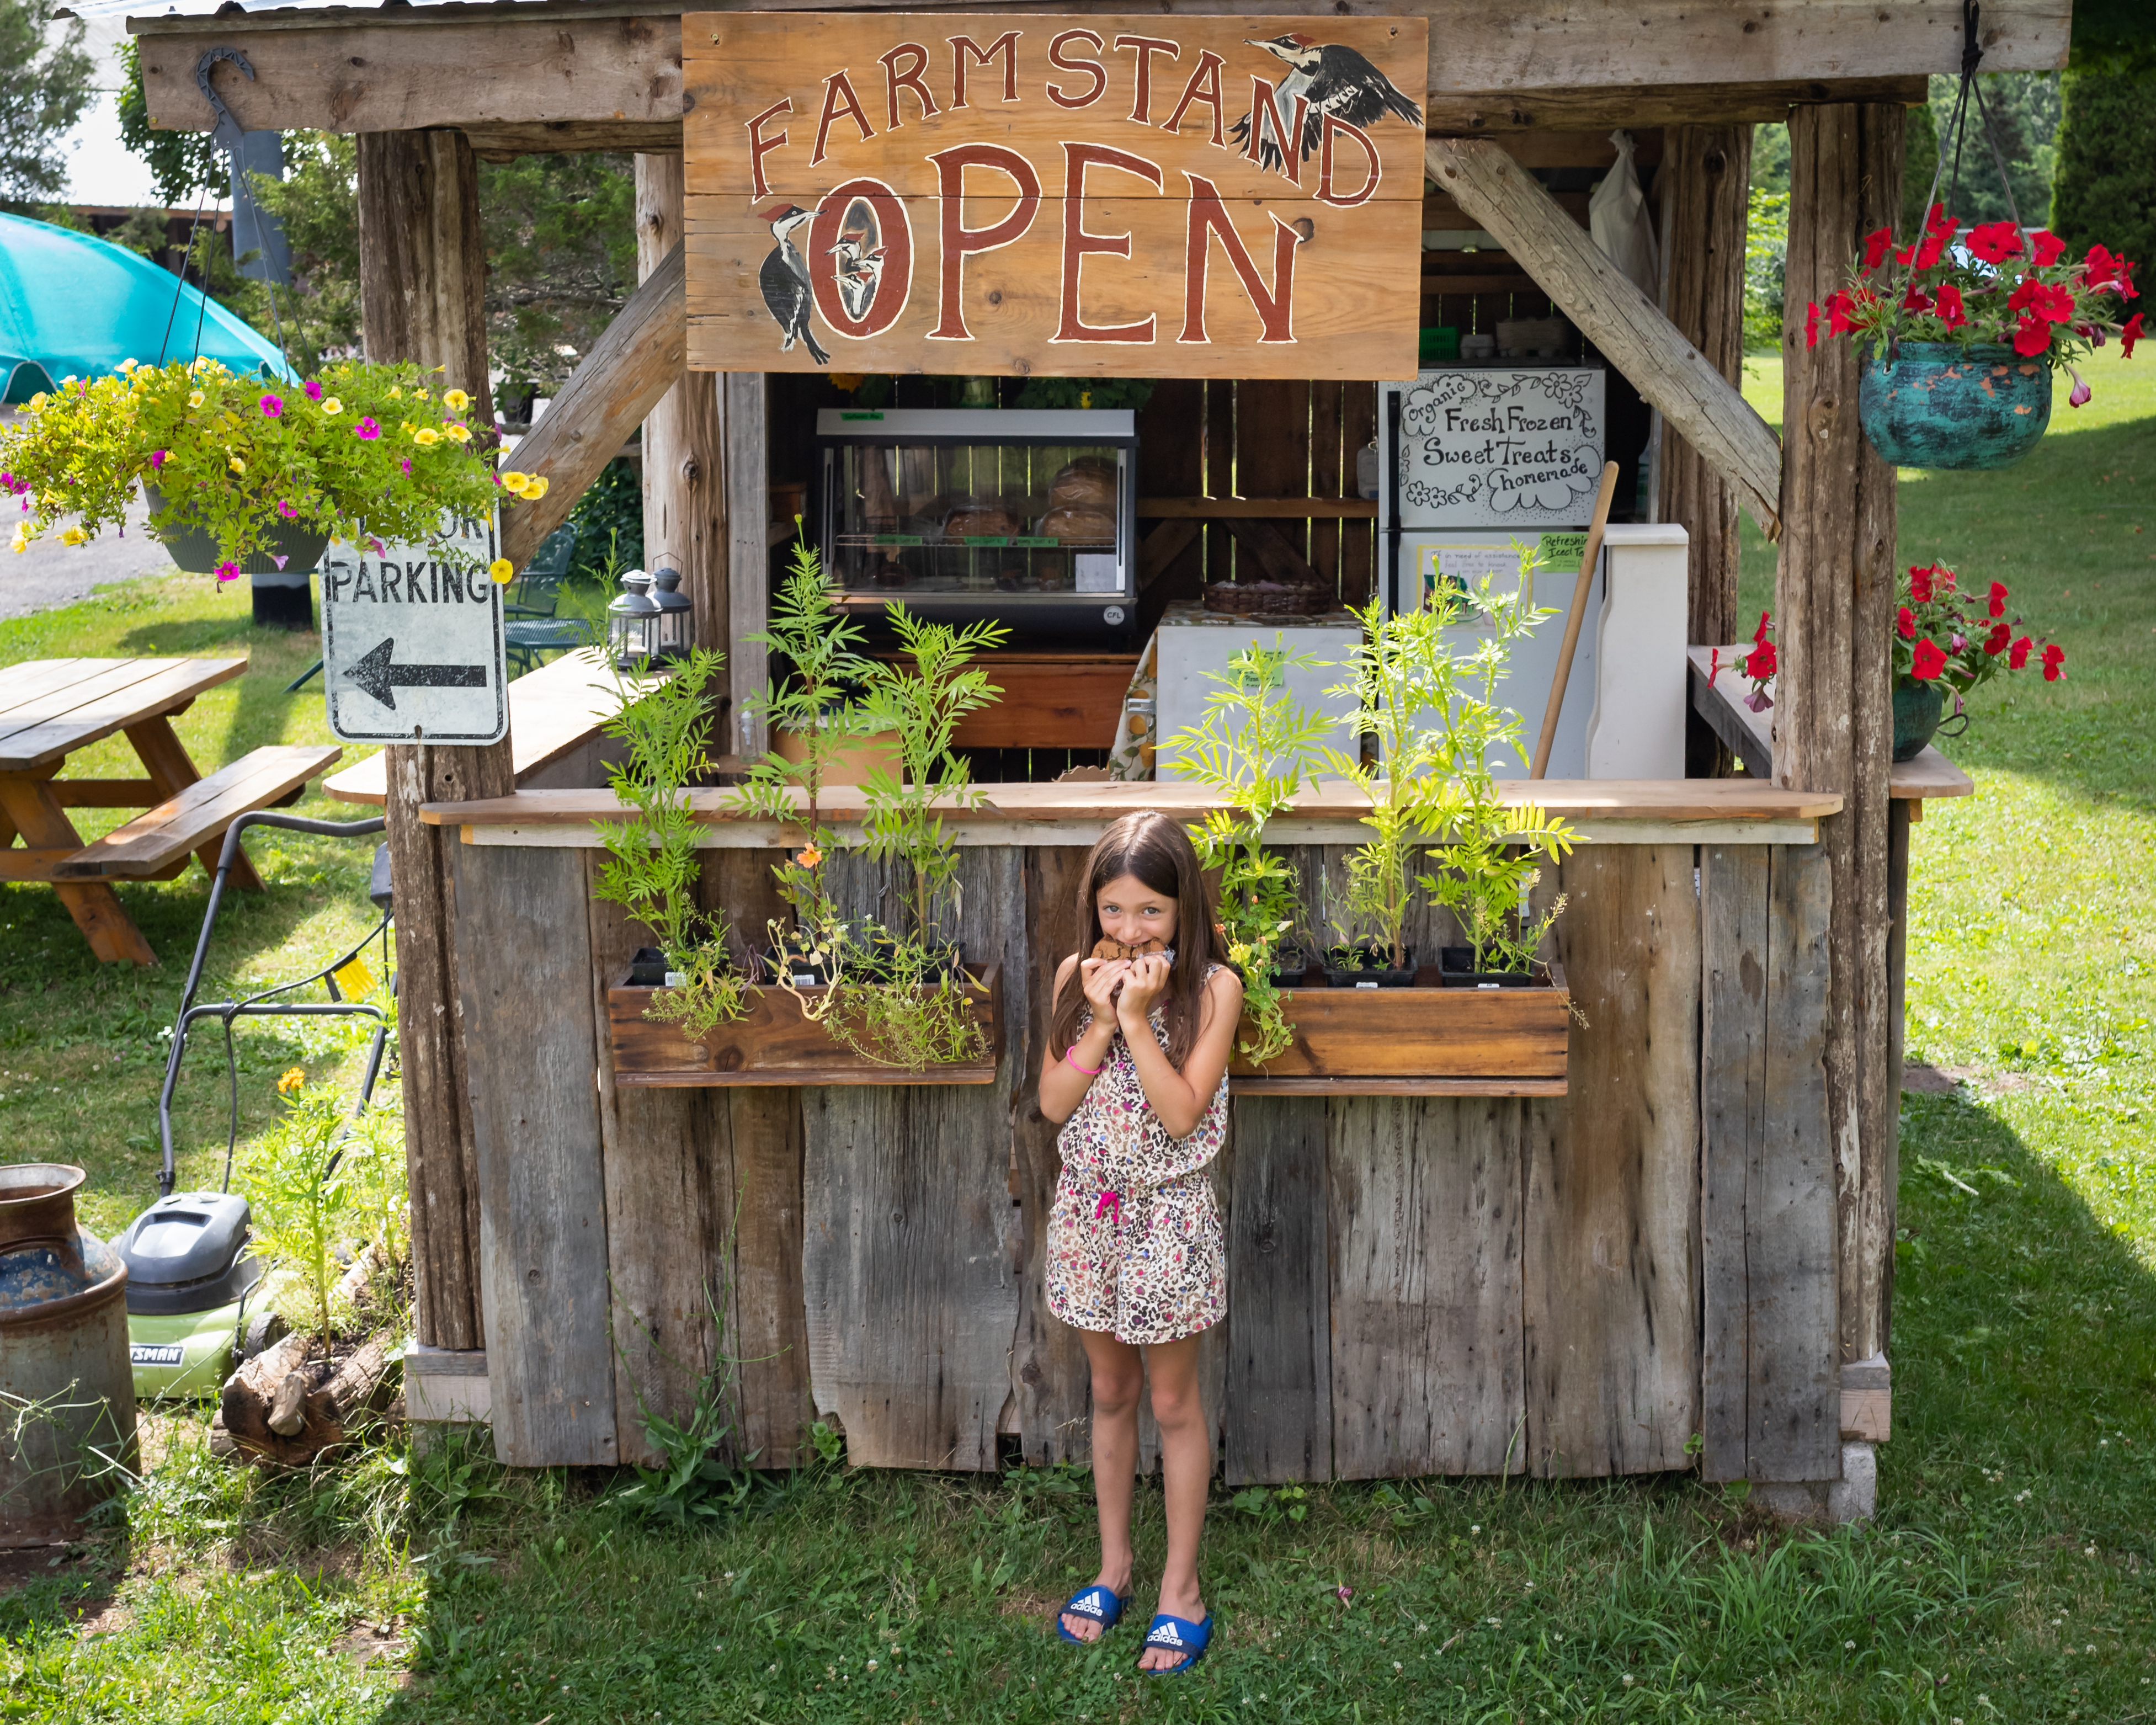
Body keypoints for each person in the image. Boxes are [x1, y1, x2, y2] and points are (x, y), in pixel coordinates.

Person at [1038, 809, 1243, 1676]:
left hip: (1168, 1219)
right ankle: (1114, 1564)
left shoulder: (1212, 990)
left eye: (1151, 911)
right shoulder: (1072, 976)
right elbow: (1052, 1103)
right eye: (1114, 910)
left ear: (1184, 910)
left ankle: (1180, 1588)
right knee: (1110, 1389)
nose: (1129, 931)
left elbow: (1181, 1111)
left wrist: (1135, 1020)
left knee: (1171, 1403)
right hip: (1091, 1214)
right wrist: (1092, 1018)